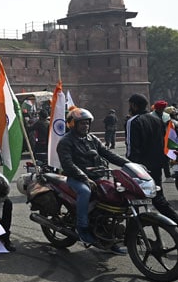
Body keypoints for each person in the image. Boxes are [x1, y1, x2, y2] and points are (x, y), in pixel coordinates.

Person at [57, 107, 130, 253]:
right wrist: (84, 178)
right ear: (73, 124)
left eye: (87, 123)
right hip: (76, 178)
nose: (85, 126)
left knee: (114, 194)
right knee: (85, 192)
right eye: (82, 123)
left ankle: (110, 234)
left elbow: (108, 154)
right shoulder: (66, 141)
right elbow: (68, 164)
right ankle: (82, 227)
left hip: (97, 176)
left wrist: (128, 164)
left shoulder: (92, 138)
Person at [126, 94, 178, 223]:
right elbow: (162, 143)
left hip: (140, 168)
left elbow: (132, 148)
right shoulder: (157, 120)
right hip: (156, 165)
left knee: (131, 199)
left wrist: (129, 165)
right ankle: (175, 221)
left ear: (133, 105)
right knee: (158, 199)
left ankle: (134, 232)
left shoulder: (133, 121)